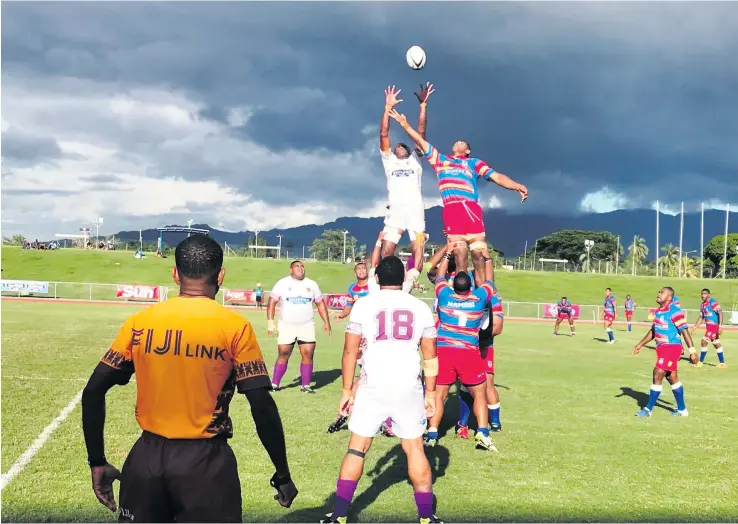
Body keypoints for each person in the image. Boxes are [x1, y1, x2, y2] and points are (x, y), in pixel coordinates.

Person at [80, 235, 297, 522]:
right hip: (206, 465)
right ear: (220, 275)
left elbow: (93, 391)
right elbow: (262, 405)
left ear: (175, 274)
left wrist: (97, 461)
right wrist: (282, 473)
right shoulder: (235, 328)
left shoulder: (140, 323)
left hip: (145, 460)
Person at [321, 256, 441, 524]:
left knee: (356, 448)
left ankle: (339, 515)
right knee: (415, 449)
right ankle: (426, 517)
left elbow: (350, 351)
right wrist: (431, 394)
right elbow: (431, 357)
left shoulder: (364, 305)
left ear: (377, 279)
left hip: (372, 384)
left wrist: (346, 390)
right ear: (403, 280)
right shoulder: (420, 307)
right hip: (408, 384)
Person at [386, 106, 527, 289]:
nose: (458, 142)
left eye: (462, 142)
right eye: (456, 141)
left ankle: (483, 294)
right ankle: (462, 294)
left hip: (471, 209)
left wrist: (517, 186)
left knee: (478, 254)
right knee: (460, 254)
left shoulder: (474, 163)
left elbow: (497, 177)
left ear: (467, 150)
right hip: (452, 210)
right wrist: (405, 124)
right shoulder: (440, 160)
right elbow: (420, 139)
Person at [423, 244, 497, 452]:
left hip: (445, 350)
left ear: (452, 285)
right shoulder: (478, 299)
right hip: (468, 352)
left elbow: (438, 277)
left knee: (439, 395)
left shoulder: (445, 296)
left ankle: (432, 433)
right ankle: (482, 432)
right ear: (470, 288)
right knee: (479, 395)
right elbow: (490, 281)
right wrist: (487, 259)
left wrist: (447, 254)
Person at [378, 84, 434, 291]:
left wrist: (423, 105)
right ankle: (388, 282)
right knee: (387, 251)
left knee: (417, 247)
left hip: (414, 209)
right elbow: (384, 133)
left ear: (410, 151)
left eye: (404, 146)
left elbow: (421, 132)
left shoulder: (415, 161)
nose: (399, 146)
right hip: (395, 210)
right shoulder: (389, 161)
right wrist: (386, 108)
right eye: (397, 146)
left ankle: (409, 282)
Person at [632, 286, 698, 417]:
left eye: (662, 292)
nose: (658, 294)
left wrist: (692, 351)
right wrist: (640, 344)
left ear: (669, 297)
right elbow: (653, 331)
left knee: (658, 372)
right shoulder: (658, 311)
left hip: (672, 347)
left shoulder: (675, 311)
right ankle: (682, 410)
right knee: (671, 377)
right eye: (659, 292)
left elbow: (684, 331)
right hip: (662, 348)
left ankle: (647, 410)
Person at [267, 260, 331, 393]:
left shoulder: (312, 284)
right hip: (287, 324)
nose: (300, 268)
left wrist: (326, 322)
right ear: (291, 270)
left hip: (306, 324)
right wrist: (270, 322)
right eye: (297, 266)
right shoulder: (282, 283)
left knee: (308, 353)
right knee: (283, 353)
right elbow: (272, 302)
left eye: (302, 266)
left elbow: (320, 304)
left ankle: (306, 386)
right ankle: (275, 384)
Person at [457, 287, 504, 436]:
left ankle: (495, 422)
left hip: (485, 347)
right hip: (466, 347)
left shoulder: (493, 298)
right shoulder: (467, 296)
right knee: (466, 385)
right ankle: (463, 424)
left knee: (488, 383)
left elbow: (497, 328)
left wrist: (481, 337)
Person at [691, 288, 727, 368]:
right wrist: (695, 326)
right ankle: (722, 363)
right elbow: (701, 317)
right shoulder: (702, 305)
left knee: (704, 341)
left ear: (708, 295)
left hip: (714, 326)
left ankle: (700, 362)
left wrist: (720, 326)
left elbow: (720, 313)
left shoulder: (712, 302)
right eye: (702, 294)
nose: (702, 295)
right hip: (709, 327)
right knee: (716, 344)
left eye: (704, 294)